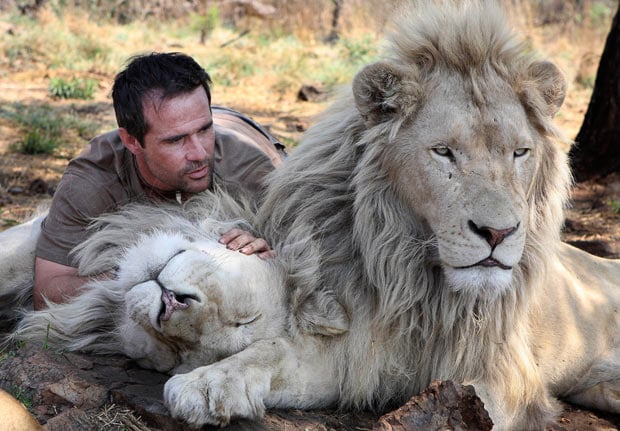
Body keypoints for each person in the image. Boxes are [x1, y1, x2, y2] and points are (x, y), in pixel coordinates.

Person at [33, 52, 286, 310]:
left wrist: (265, 253)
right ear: (131, 141)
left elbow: (309, 262)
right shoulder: (93, 181)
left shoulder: (251, 169)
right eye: (175, 140)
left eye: (204, 129)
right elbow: (47, 292)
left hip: (243, 128)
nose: (199, 154)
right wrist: (146, 273)